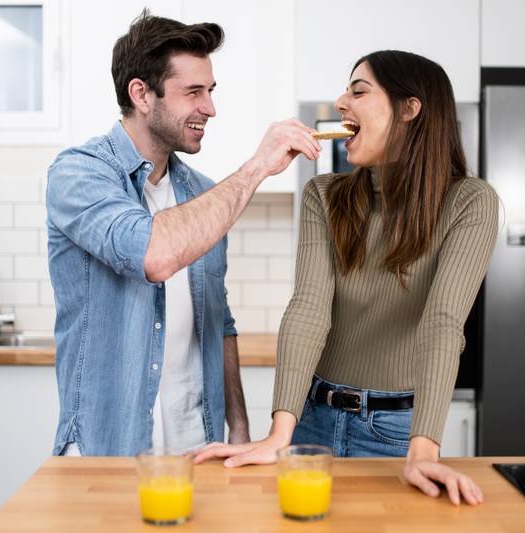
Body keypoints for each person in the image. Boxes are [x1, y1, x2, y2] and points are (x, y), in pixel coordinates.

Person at [195, 50, 498, 506]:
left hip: (397, 432)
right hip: (312, 421)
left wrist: (423, 450)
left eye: (359, 91)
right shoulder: (325, 195)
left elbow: (443, 322)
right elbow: (309, 309)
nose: (340, 102)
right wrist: (280, 432)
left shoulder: (470, 202)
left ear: (409, 109)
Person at [45, 11, 321, 456]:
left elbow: (219, 319)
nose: (209, 108)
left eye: (210, 91)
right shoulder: (79, 174)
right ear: (142, 94)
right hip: (109, 448)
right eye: (193, 92)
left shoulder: (203, 194)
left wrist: (238, 426)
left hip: (200, 445)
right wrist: (256, 168)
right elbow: (152, 254)